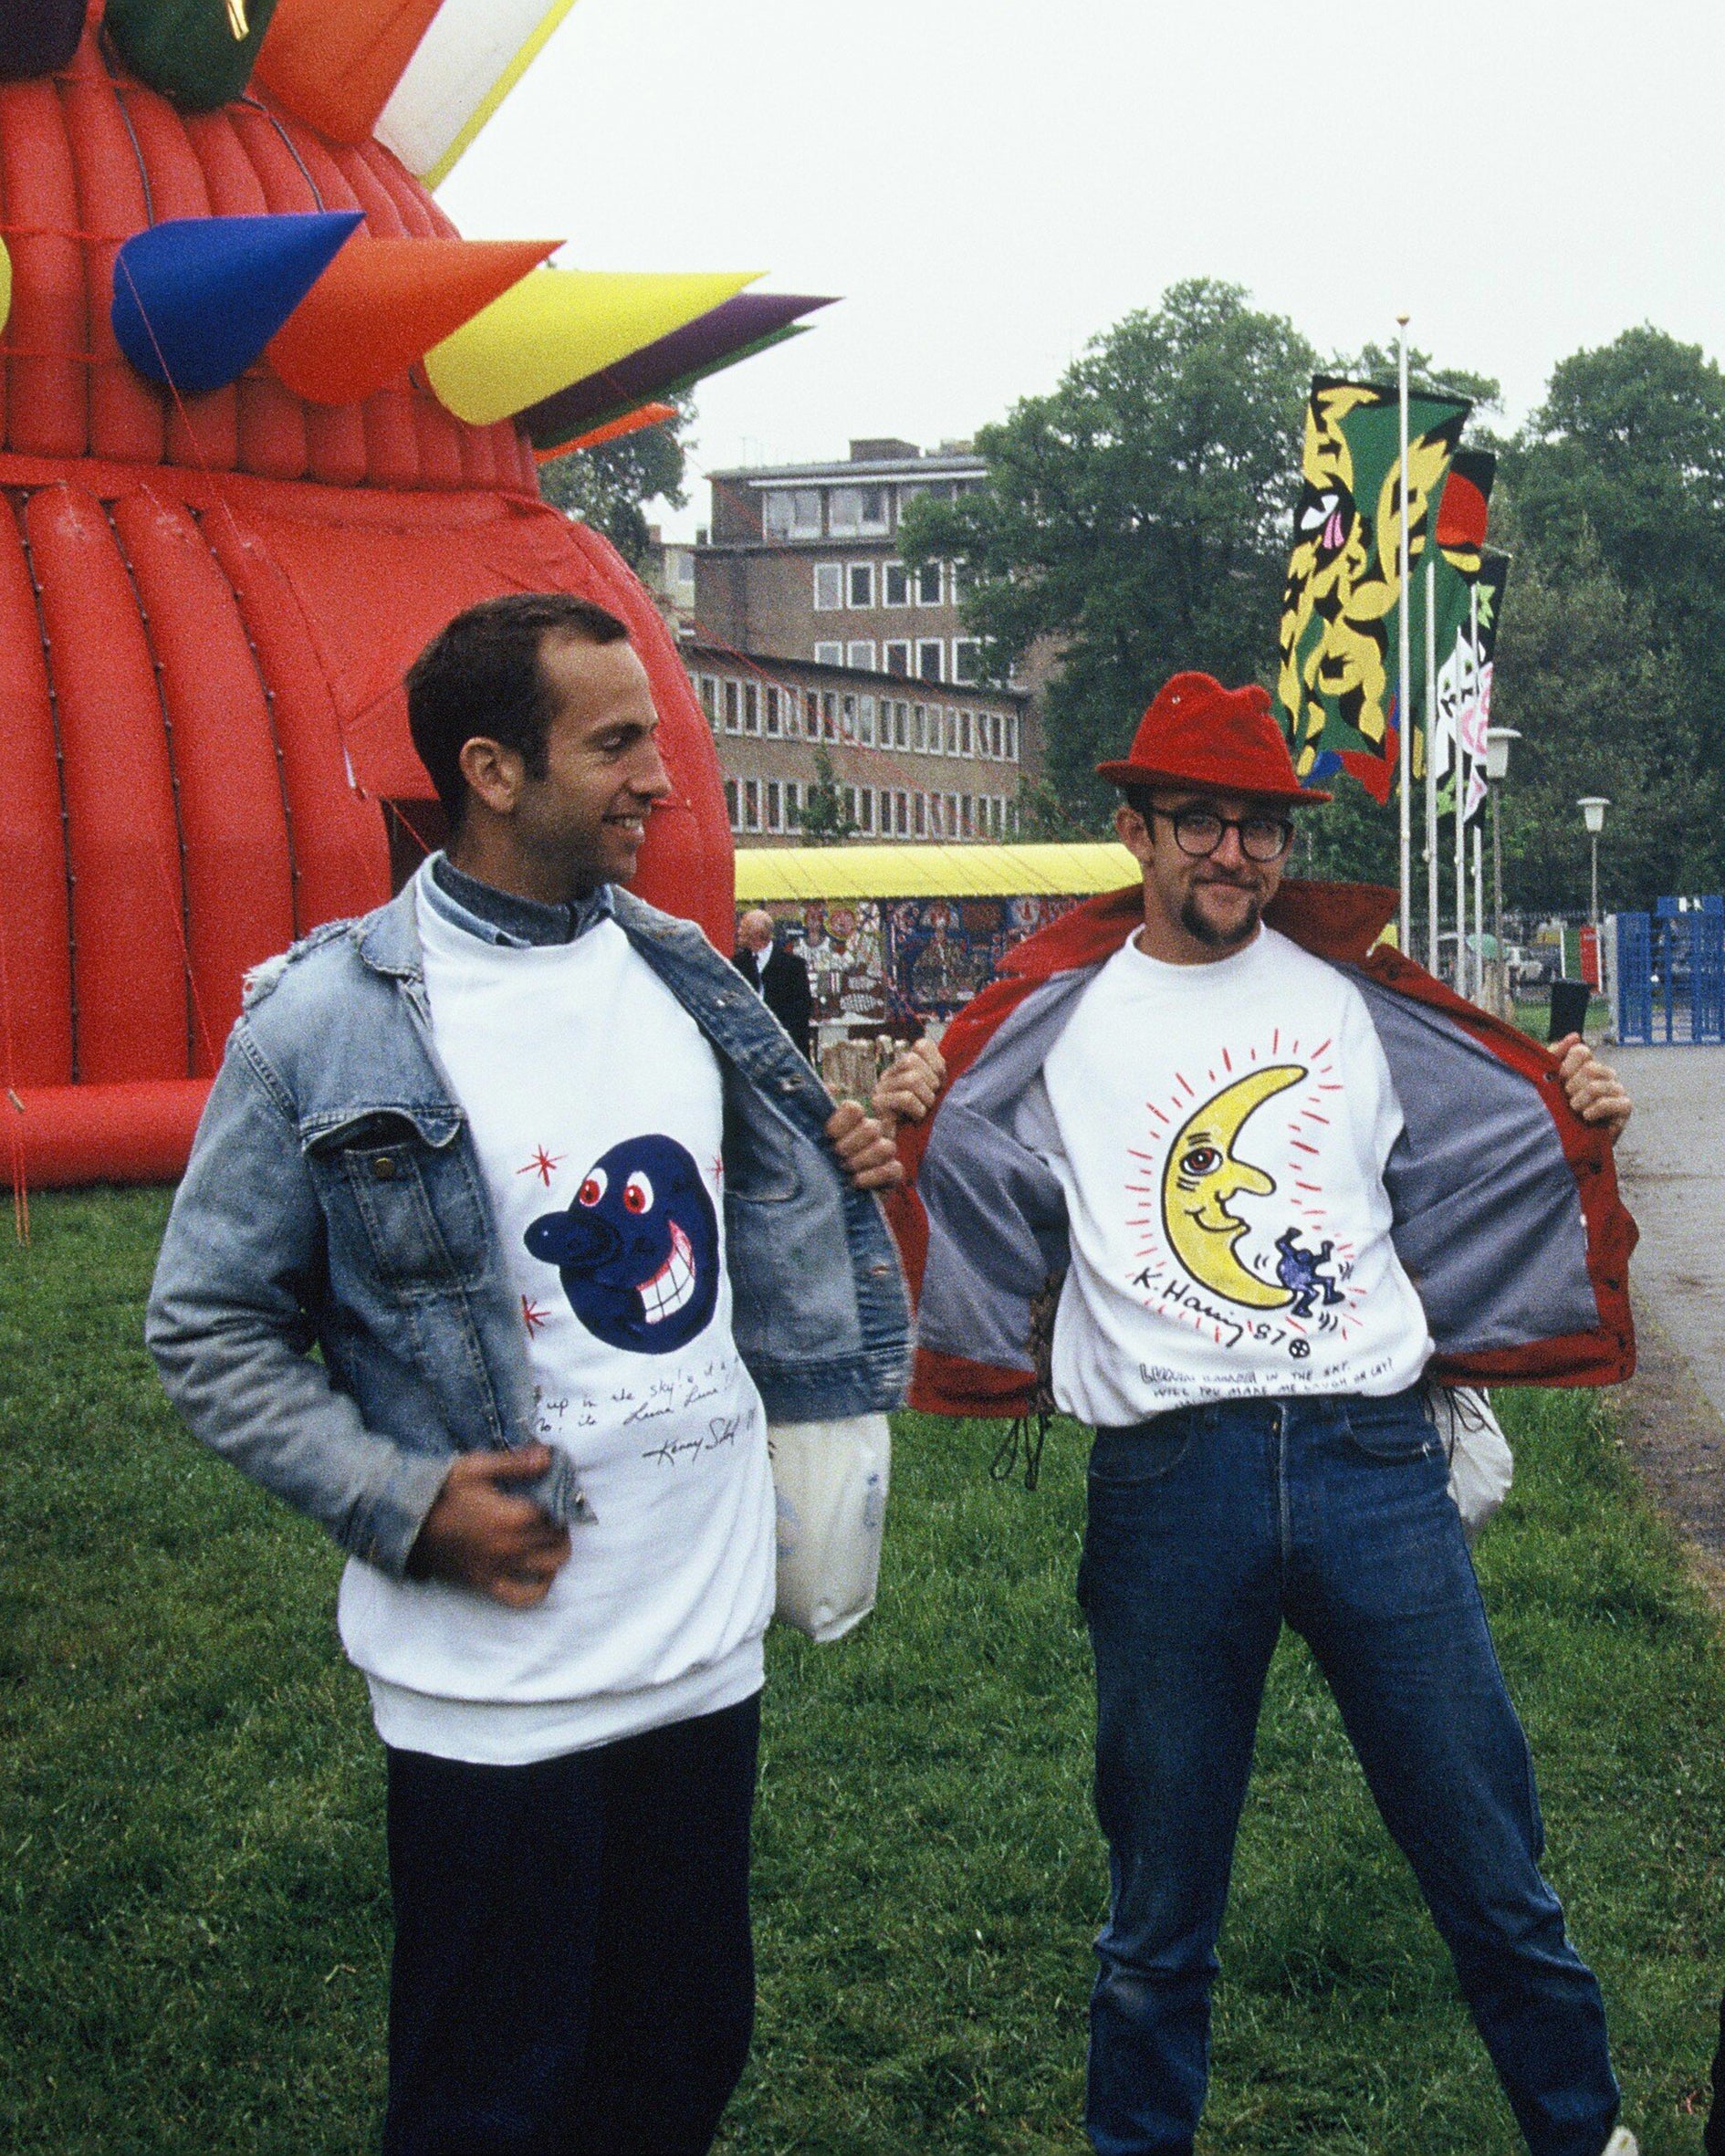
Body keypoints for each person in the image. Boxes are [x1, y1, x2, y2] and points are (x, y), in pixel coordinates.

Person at [146, 592, 911, 2156]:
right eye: (616, 741)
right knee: (487, 2105)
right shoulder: (323, 1026)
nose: (660, 779)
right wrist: (399, 1498)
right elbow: (205, 1323)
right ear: (492, 769)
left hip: (702, 1652)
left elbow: (750, 1210)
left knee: (677, 2069)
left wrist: (844, 1167)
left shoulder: (687, 972)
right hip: (497, 1691)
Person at [879, 671, 1640, 2156]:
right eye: (1198, 823)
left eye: (1259, 828)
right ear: (1135, 832)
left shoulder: (1362, 997)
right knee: (1159, 1901)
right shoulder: (1049, 1020)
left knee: (1491, 1858)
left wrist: (1578, 1117)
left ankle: (1582, 2130)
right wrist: (912, 1099)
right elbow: (949, 1164)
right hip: (1170, 1484)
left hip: (1373, 1469)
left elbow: (1496, 1139)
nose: (1231, 853)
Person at [733, 905, 813, 1059]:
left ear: (758, 933)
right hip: (750, 1051)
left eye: (743, 928)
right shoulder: (736, 965)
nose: (739, 932)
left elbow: (802, 1008)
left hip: (784, 1050)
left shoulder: (793, 966)